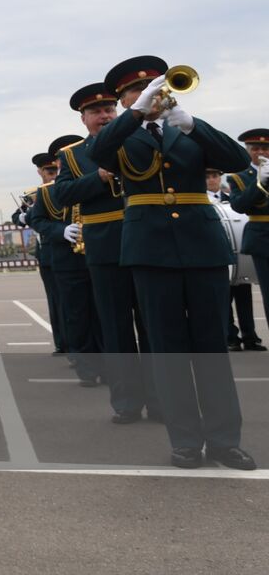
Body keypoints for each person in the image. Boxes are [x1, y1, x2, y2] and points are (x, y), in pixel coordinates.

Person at [88, 56, 254, 469]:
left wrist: (191, 123)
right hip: (151, 249)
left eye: (156, 89)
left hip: (201, 246)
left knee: (212, 347)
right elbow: (97, 152)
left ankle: (223, 440)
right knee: (167, 349)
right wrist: (135, 113)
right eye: (136, 91)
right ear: (128, 99)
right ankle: (185, 441)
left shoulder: (188, 129)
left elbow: (236, 160)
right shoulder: (121, 134)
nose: (153, 95)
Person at [50, 84, 160, 423]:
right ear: (84, 119)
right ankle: (126, 403)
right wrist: (97, 177)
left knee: (154, 327)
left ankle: (161, 401)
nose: (105, 115)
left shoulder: (141, 139)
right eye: (96, 112)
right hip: (105, 245)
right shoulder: (72, 155)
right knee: (115, 328)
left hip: (144, 240)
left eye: (109, 109)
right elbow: (63, 194)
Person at [29, 135, 102, 387]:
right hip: (66, 260)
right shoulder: (47, 193)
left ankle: (109, 363)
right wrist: (61, 231)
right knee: (76, 313)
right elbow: (36, 220)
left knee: (105, 312)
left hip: (100, 254)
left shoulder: (94, 180)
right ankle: (86, 368)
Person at [15, 152, 67, 356]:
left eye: (55, 170)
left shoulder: (64, 187)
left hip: (69, 249)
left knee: (71, 301)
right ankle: (62, 343)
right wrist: (23, 217)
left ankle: (77, 344)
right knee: (55, 300)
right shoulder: (37, 193)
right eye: (48, 171)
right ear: (40, 172)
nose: (52, 174)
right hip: (46, 254)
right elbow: (17, 216)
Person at [227, 128, 269, 343]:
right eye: (256, 148)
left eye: (265, 148)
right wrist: (259, 184)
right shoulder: (240, 177)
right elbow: (239, 205)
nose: (261, 152)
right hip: (262, 237)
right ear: (248, 151)